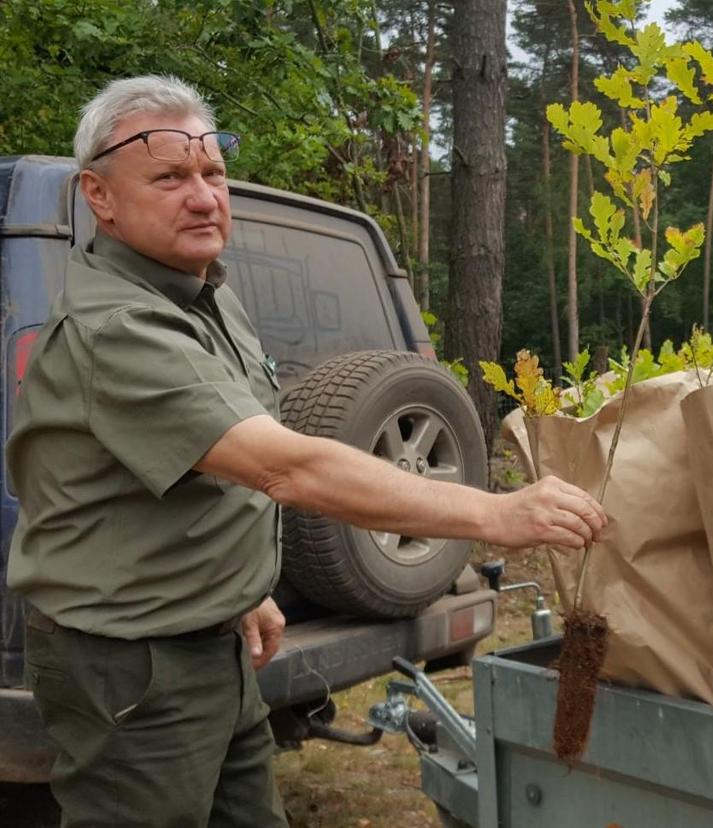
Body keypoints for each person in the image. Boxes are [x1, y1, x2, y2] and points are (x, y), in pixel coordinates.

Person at [6, 75, 607, 827]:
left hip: (213, 641)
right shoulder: (116, 328)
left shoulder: (202, 295)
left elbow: (207, 466)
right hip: (131, 666)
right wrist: (496, 514)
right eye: (168, 177)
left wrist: (238, 587)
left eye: (212, 174)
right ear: (99, 195)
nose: (203, 197)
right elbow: (285, 464)